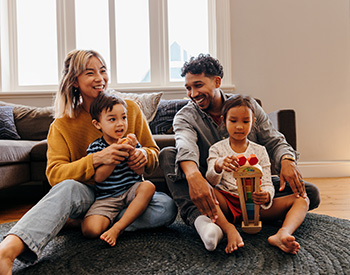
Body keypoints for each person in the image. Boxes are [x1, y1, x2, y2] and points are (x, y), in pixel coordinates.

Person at [0, 49, 176, 274]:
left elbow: (152, 151)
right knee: (68, 188)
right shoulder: (62, 125)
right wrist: (96, 159)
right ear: (74, 81)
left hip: (129, 191)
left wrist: (145, 157)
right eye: (90, 73)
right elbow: (55, 174)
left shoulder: (129, 109)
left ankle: (84, 223)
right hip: (90, 193)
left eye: (102, 71)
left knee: (167, 207)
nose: (100, 78)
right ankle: (7, 250)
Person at [159, 53, 320, 253]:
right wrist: (194, 176)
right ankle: (204, 223)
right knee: (168, 155)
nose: (192, 94)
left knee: (309, 193)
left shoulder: (248, 107)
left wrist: (287, 160)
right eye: (188, 88)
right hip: (214, 185)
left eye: (198, 85)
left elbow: (273, 139)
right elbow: (185, 146)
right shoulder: (185, 116)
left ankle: (247, 215)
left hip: (252, 183)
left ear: (217, 81)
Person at [206, 95, 308, 254]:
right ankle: (229, 229)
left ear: (253, 122)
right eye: (233, 121)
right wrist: (218, 165)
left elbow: (267, 181)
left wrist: (266, 195)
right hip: (228, 202)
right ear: (223, 121)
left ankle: (283, 233)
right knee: (205, 191)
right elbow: (211, 180)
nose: (239, 127)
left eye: (245, 121)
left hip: (256, 204)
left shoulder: (260, 151)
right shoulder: (216, 149)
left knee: (302, 199)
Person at [81, 92, 156, 247]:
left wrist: (134, 152)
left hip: (131, 191)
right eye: (112, 119)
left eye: (123, 117)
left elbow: (139, 172)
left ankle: (118, 228)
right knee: (90, 230)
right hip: (108, 197)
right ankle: (82, 222)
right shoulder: (96, 147)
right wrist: (113, 155)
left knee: (148, 186)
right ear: (98, 124)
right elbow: (99, 178)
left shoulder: (131, 142)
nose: (120, 123)